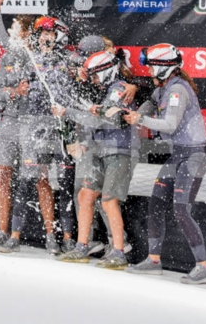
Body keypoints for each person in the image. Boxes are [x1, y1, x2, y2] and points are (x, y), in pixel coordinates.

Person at [123, 43, 206, 284]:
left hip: (193, 157)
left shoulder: (177, 91)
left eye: (152, 67)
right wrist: (129, 111)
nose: (149, 72)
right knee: (156, 203)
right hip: (178, 155)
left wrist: (140, 119)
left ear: (164, 67)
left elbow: (170, 125)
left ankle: (203, 266)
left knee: (181, 210)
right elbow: (151, 104)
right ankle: (153, 260)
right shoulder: (163, 89)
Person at [54, 50, 138, 270]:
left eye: (94, 75)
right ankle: (82, 247)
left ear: (107, 71)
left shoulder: (118, 89)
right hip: (100, 151)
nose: (92, 80)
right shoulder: (105, 90)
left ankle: (119, 252)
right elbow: (95, 119)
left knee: (109, 201)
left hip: (117, 152)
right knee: (85, 195)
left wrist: (67, 112)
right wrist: (85, 141)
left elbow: (100, 117)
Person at [3, 15, 73, 254]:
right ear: (37, 38)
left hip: (58, 128)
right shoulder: (29, 60)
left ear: (57, 38)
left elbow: (73, 94)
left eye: (51, 36)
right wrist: (20, 88)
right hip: (33, 127)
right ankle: (14, 236)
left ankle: (61, 238)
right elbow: (14, 84)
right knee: (26, 181)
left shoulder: (66, 61)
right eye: (43, 36)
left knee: (61, 184)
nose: (47, 39)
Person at [0, 0, 34, 251]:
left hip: (31, 124)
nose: (12, 34)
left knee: (31, 178)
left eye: (18, 29)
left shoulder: (37, 56)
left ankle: (19, 235)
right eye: (12, 29)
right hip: (8, 122)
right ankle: (3, 231)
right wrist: (14, 92)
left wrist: (29, 91)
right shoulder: (9, 54)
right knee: (3, 175)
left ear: (28, 34)